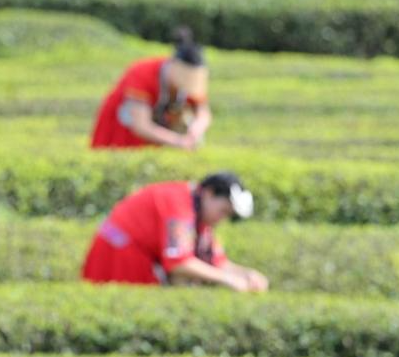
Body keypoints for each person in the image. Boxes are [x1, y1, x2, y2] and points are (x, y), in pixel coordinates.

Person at [82, 172, 268, 292]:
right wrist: (228, 280)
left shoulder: (198, 212)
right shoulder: (179, 207)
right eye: (223, 211)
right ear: (209, 194)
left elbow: (215, 261)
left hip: (135, 257)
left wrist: (246, 274)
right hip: (121, 259)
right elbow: (179, 262)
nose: (222, 219)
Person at [90, 27, 212, 150]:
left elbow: (203, 111)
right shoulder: (142, 73)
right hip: (122, 134)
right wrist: (179, 141)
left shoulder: (188, 82)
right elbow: (141, 126)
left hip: (158, 136)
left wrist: (196, 128)